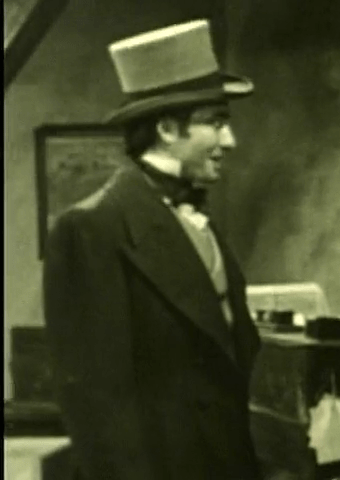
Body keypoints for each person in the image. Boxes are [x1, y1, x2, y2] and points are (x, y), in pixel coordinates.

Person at [43, 20, 263, 480]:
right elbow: (99, 409)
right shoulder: (90, 229)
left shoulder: (197, 219)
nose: (230, 141)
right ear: (166, 128)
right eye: (216, 123)